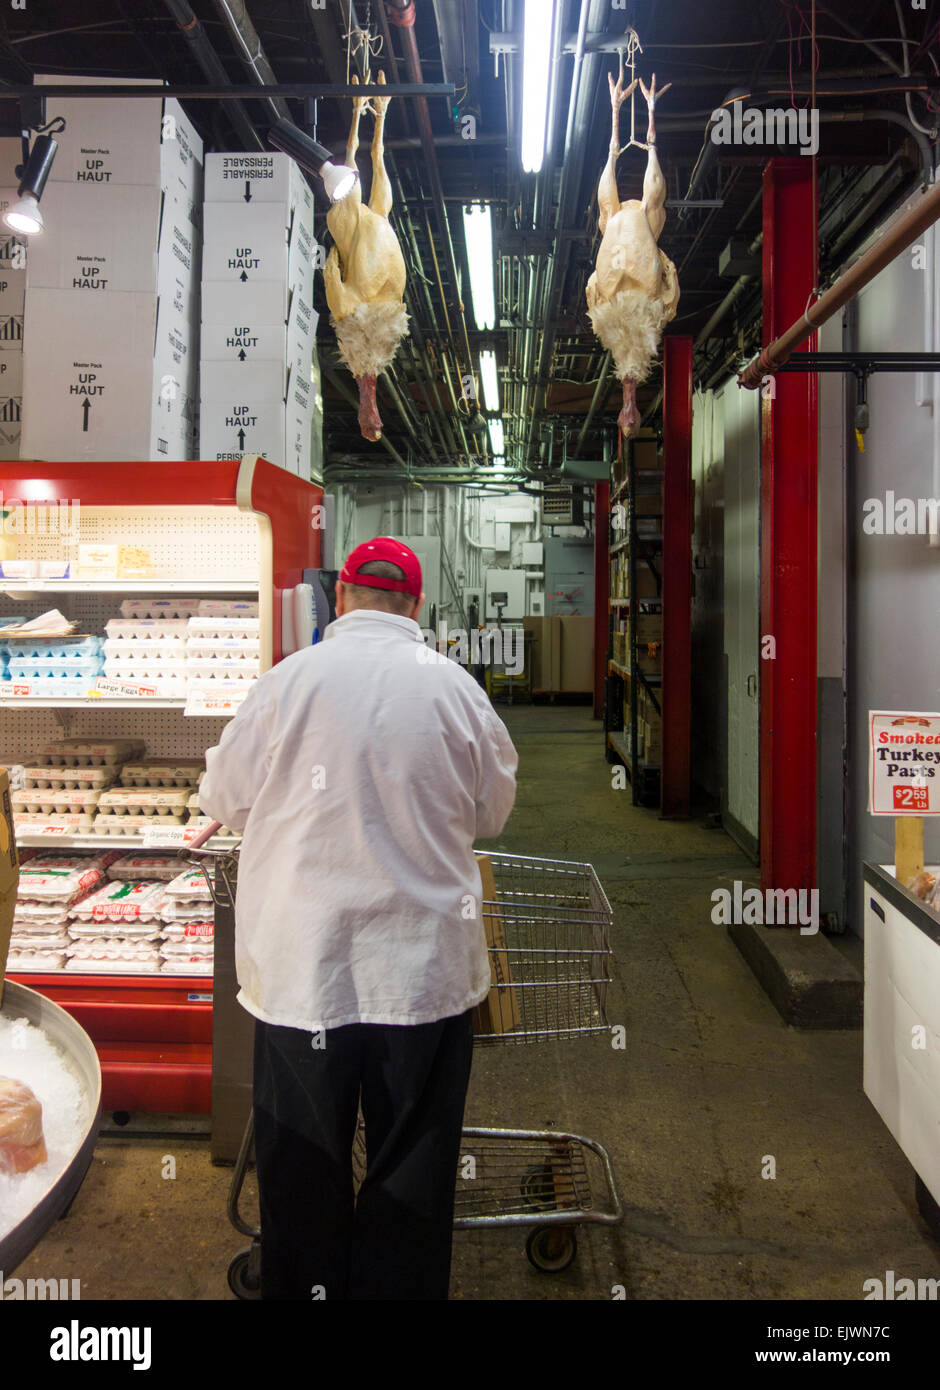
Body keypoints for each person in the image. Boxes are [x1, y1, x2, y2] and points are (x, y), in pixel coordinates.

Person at [199, 537, 518, 1300]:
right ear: (415, 606)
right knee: (412, 1162)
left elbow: (223, 798)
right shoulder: (453, 688)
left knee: (302, 1163)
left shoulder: (286, 684)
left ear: (340, 598)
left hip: (303, 974)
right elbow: (492, 813)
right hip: (421, 976)